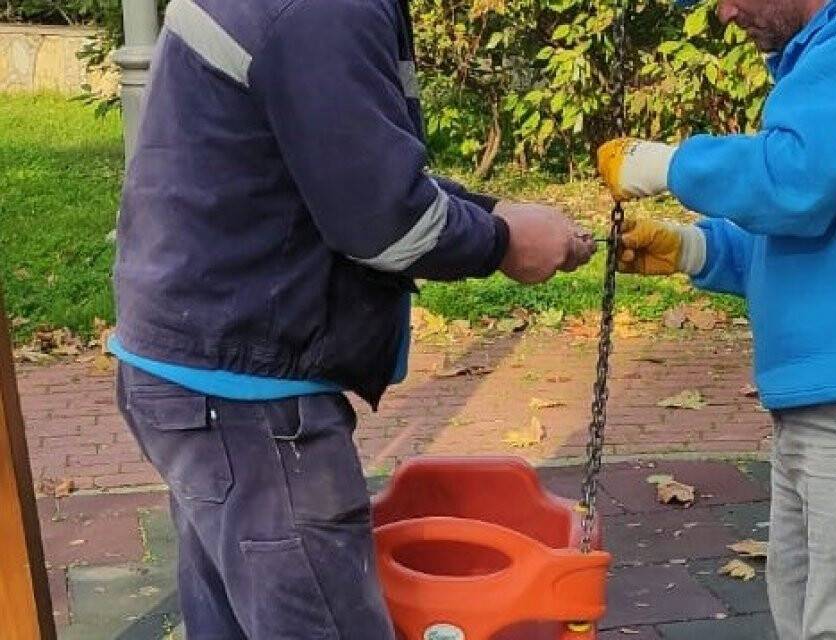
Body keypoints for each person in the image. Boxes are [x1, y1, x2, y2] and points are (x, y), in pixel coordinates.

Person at [107, 0, 594, 637]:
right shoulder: (325, 9)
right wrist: (503, 241)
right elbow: (382, 223)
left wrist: (496, 209)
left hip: (201, 374)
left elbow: (347, 168)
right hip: (246, 397)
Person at [596, 0, 836, 637]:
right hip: (834, 400)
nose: (723, 13)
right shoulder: (824, 58)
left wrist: (665, 164)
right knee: (808, 621)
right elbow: (796, 230)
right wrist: (692, 247)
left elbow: (794, 184)